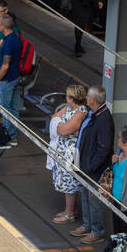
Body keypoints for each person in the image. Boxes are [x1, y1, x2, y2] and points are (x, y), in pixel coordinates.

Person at [69, 87, 114, 246]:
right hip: (86, 164)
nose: (86, 98)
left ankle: (97, 231)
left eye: (88, 96)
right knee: (86, 196)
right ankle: (88, 225)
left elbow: (104, 147)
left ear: (93, 100)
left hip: (94, 169)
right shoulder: (95, 114)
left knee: (95, 201)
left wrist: (91, 166)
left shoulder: (103, 119)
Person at [47, 84, 88, 224]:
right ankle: (70, 209)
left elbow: (65, 130)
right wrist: (59, 124)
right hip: (63, 149)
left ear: (71, 98)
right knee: (66, 182)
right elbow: (54, 117)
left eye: (67, 96)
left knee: (69, 184)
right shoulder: (69, 108)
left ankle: (69, 214)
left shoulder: (80, 113)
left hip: (71, 153)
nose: (66, 98)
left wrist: (58, 125)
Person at [0, 14, 23, 137]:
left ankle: (8, 135)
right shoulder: (16, 38)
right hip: (16, 76)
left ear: (3, 26)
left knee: (5, 109)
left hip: (7, 80)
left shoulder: (8, 43)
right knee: (13, 108)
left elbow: (5, 66)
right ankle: (13, 134)